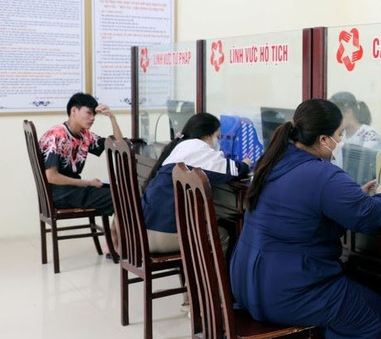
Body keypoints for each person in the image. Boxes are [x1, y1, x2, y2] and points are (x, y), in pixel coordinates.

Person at [229, 98, 381, 339]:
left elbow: (303, 208)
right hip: (287, 290)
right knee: (374, 316)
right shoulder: (322, 175)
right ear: (323, 139)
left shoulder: (272, 160)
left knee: (348, 294)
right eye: (338, 135)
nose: (339, 142)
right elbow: (371, 218)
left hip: (247, 284)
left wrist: (349, 198)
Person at [142, 112, 250, 254]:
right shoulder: (198, 149)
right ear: (206, 136)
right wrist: (246, 164)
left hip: (144, 232)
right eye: (217, 137)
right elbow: (231, 170)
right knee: (222, 235)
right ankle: (213, 276)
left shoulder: (179, 148)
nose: (218, 141)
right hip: (164, 236)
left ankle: (194, 276)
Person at [39, 92, 123, 254]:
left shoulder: (85, 135)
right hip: (59, 193)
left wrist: (112, 118)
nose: (92, 118)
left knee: (120, 192)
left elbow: (119, 146)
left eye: (94, 114)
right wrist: (87, 183)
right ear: (73, 111)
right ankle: (116, 243)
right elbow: (51, 176)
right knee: (119, 196)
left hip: (72, 190)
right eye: (88, 113)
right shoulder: (57, 135)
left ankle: (114, 240)